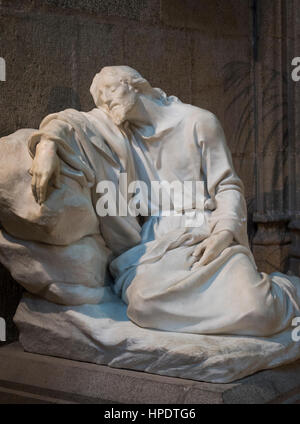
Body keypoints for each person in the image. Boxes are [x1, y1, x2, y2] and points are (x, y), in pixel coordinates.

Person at [31, 66, 300, 336]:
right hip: (156, 242)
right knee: (143, 306)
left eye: (110, 91)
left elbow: (227, 185)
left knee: (258, 311)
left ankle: (289, 290)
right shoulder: (121, 134)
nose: (106, 102)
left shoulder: (199, 122)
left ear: (135, 85)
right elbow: (74, 123)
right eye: (100, 99)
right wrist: (48, 144)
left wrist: (224, 232)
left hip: (204, 230)